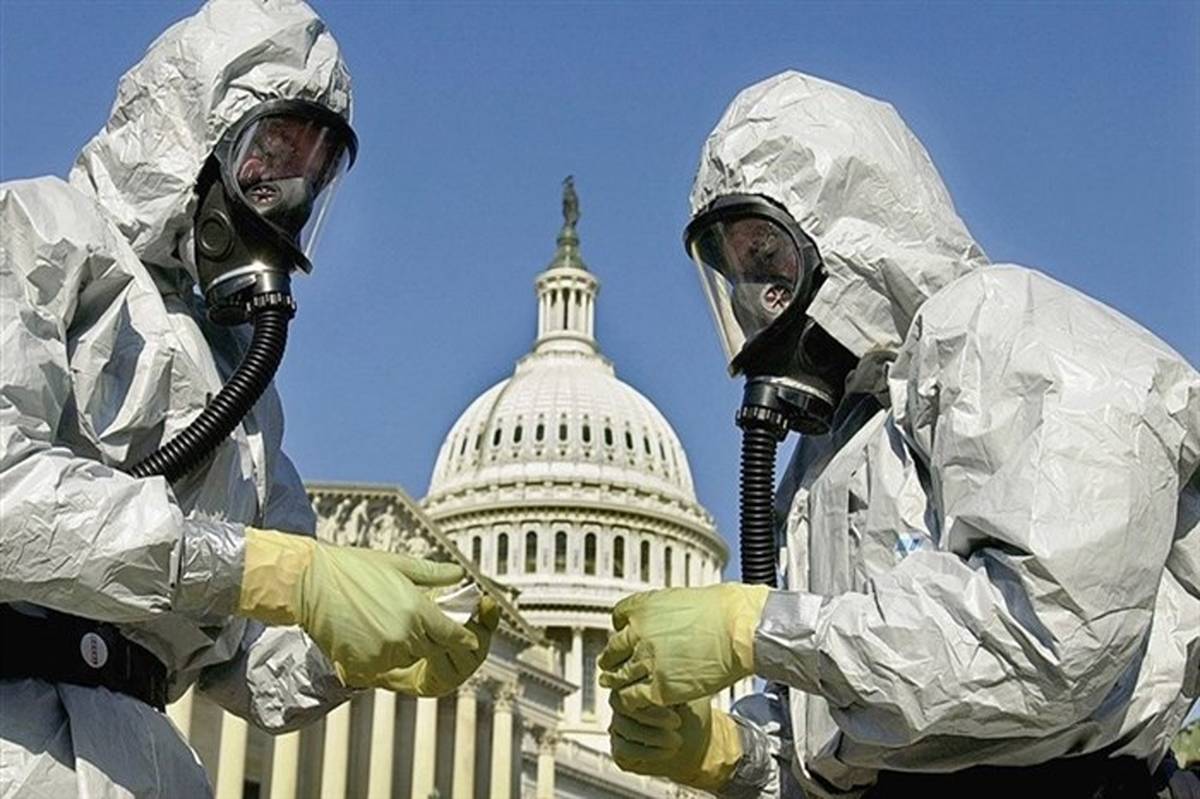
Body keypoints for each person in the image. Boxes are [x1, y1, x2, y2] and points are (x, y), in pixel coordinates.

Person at [599, 70, 1200, 798]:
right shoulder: (830, 455)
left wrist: (756, 631)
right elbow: (858, 731)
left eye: (766, 258)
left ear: (843, 228)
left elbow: (1046, 641)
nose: (758, 299)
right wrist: (732, 752)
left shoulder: (1011, 330)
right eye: (736, 273)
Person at [0, 1, 496, 795]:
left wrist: (360, 645)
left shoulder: (242, 382)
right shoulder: (36, 230)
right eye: (274, 152)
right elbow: (10, 497)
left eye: (312, 172)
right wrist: (269, 569)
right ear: (195, 127)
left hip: (144, 756)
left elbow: (249, 664)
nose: (289, 193)